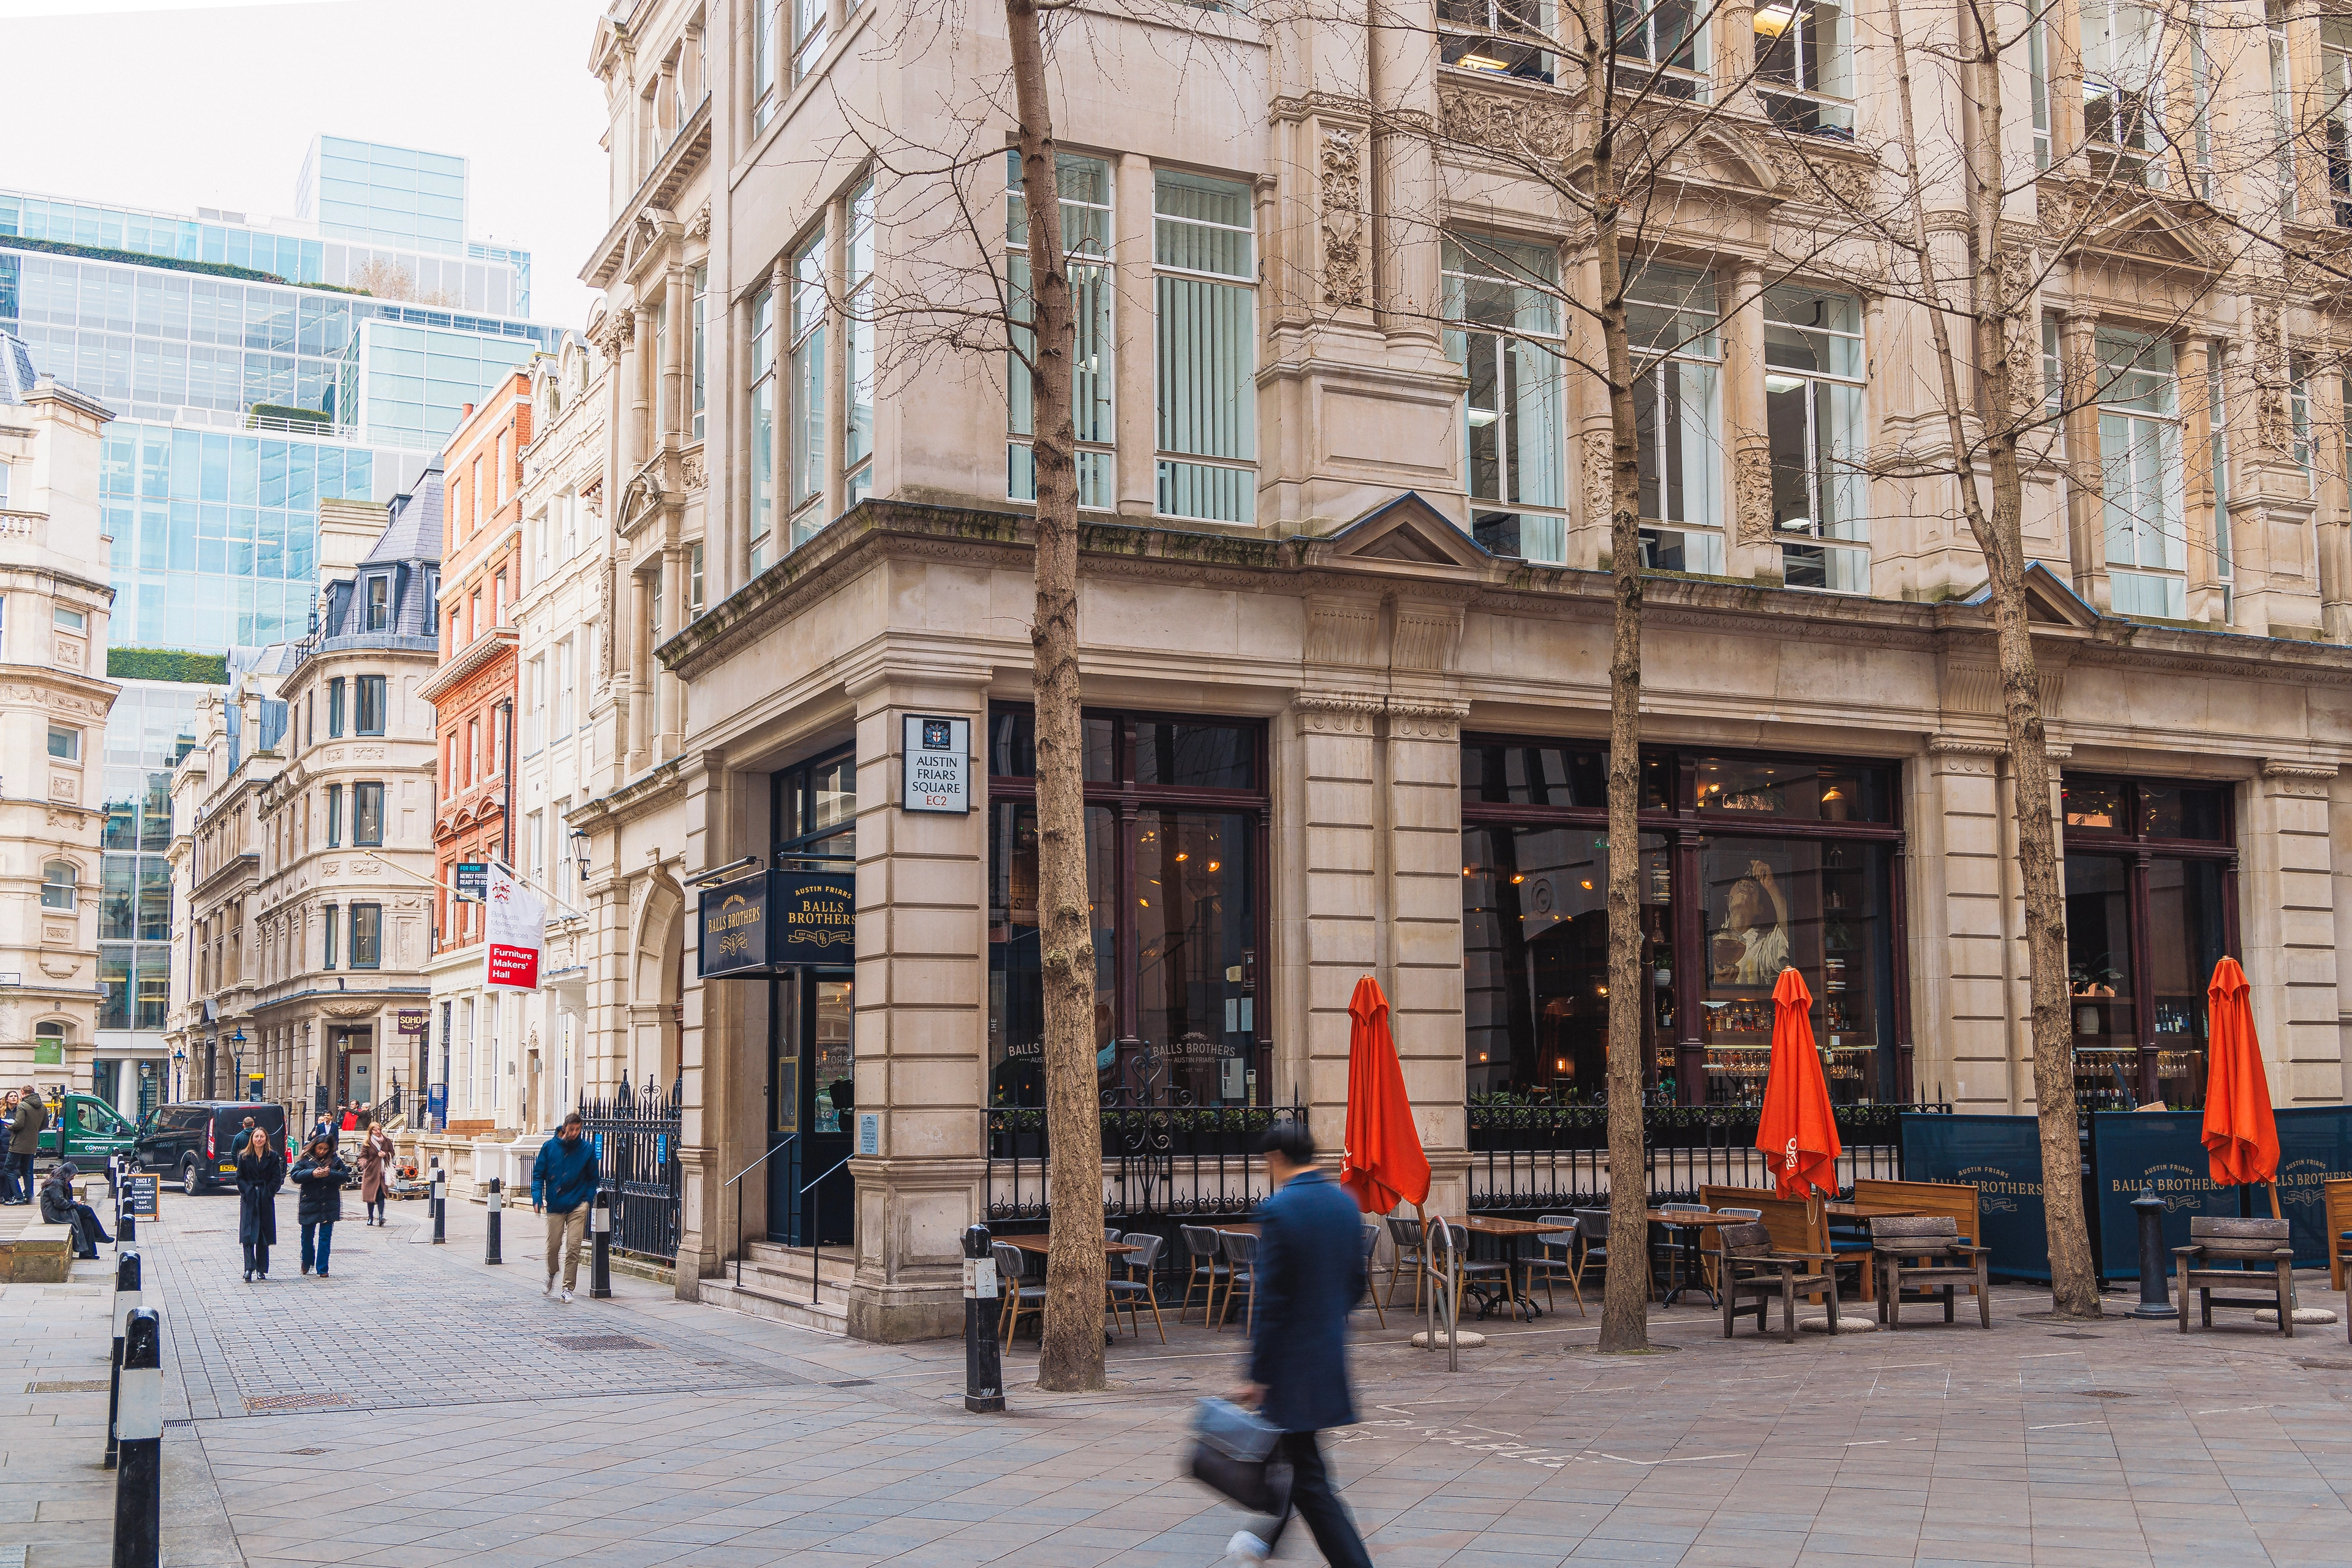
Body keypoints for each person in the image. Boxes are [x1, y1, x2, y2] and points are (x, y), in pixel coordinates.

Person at [1224, 1123, 1373, 1568]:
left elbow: (1269, 1301)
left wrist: (1259, 1374)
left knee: (1307, 1477)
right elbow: (1355, 1285)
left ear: (1276, 1158)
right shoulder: (1346, 1206)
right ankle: (1260, 1544)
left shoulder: (1279, 1209)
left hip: (1291, 1367)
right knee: (1299, 1464)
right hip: (1327, 1356)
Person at [530, 1111, 599, 1303]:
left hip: (578, 1204)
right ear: (565, 1128)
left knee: (574, 1247)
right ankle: (552, 1272)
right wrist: (537, 1197)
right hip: (555, 1203)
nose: (575, 1133)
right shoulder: (550, 1147)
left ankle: (568, 1288)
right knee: (553, 1247)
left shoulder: (586, 1149)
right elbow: (538, 1176)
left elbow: (594, 1178)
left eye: (578, 1129)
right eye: (572, 1129)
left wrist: (587, 1198)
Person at [288, 1136, 349, 1278]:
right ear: (314, 1147)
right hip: (310, 1201)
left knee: (325, 1237)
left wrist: (330, 1173)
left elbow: (345, 1175)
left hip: (329, 1202)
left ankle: (322, 1268)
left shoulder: (335, 1160)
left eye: (325, 1149)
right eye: (319, 1148)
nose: (322, 1151)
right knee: (307, 1237)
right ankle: (307, 1259)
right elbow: (295, 1176)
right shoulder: (305, 1159)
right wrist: (312, 1173)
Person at [236, 1128, 285, 1282]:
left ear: (266, 1139)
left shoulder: (273, 1156)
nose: (259, 1139)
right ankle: (249, 1268)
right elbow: (239, 1178)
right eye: (256, 1137)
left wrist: (268, 1192)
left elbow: (277, 1178)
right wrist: (247, 1191)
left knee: (263, 1234)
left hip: (265, 1197)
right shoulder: (244, 1157)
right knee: (248, 1234)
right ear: (252, 1139)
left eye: (262, 1137)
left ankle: (262, 1270)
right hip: (249, 1198)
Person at [38, 1162, 110, 1259]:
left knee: (87, 1222)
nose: (73, 1178)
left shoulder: (60, 1182)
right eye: (73, 1175)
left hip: (58, 1212)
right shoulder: (56, 1184)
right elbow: (60, 1203)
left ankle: (88, 1254)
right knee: (87, 1210)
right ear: (67, 1173)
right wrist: (75, 1204)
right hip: (55, 1215)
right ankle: (102, 1237)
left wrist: (73, 1203)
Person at [9, 1087, 47, 1204]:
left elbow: (19, 1124)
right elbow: (45, 1124)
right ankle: (29, 1196)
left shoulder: (23, 1106)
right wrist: (34, 1130)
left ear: (23, 1093)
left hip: (19, 1143)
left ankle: (19, 1197)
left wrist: (9, 1127)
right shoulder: (43, 1107)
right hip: (32, 1143)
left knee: (9, 1169)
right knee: (27, 1171)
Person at [356, 1120, 393, 1226]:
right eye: (375, 1130)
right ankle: (370, 1217)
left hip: (383, 1173)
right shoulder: (367, 1143)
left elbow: (392, 1153)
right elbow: (362, 1156)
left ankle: (381, 1216)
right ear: (371, 1131)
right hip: (371, 1173)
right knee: (371, 1197)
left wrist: (385, 1154)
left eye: (379, 1129)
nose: (378, 1132)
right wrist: (365, 1164)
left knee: (381, 1195)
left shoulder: (387, 1141)